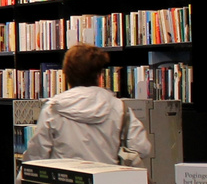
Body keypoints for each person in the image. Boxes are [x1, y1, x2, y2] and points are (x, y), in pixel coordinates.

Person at [21, 45, 151, 165]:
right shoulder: (119, 108)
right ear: (99, 75)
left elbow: (36, 156)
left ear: (66, 74)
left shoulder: (53, 108)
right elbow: (141, 148)